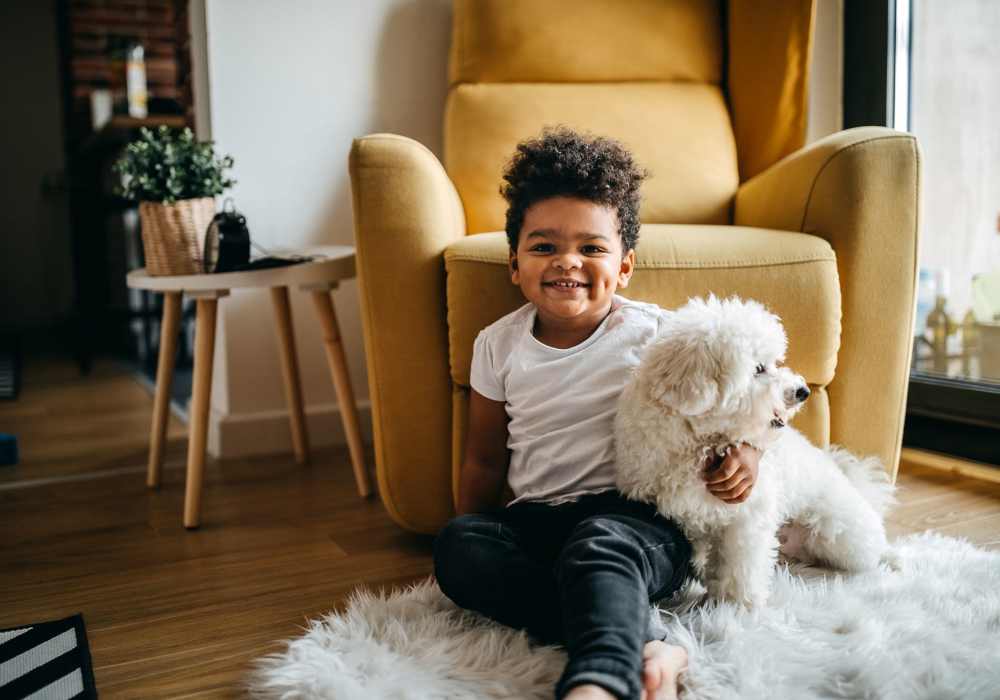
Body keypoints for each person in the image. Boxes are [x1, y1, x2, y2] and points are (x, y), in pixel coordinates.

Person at [433, 128, 761, 700]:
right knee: (458, 549)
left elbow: (752, 402)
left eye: (591, 248)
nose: (567, 262)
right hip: (538, 521)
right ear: (514, 263)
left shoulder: (658, 335)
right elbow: (484, 459)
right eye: (543, 247)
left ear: (625, 265)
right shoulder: (497, 345)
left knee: (598, 545)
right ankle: (651, 641)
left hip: (637, 523)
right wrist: (482, 533)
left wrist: (749, 452)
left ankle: (601, 680)